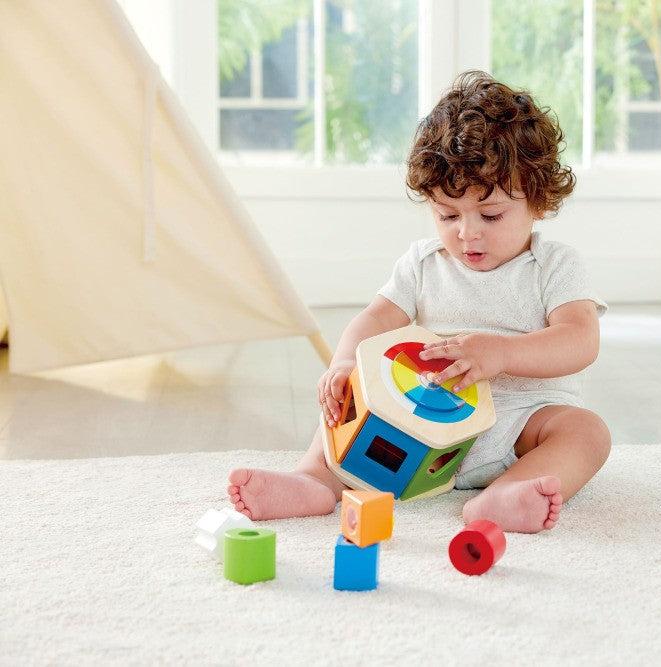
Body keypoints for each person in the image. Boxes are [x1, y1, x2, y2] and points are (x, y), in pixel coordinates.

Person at [227, 70, 611, 533]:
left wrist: (503, 353)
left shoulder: (554, 265)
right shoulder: (424, 263)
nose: (467, 232)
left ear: (540, 200)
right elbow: (376, 317)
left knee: (588, 432)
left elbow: (580, 340)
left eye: (490, 215)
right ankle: (313, 480)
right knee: (346, 404)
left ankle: (505, 494)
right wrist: (345, 363)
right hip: (419, 420)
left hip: (522, 425)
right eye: (448, 215)